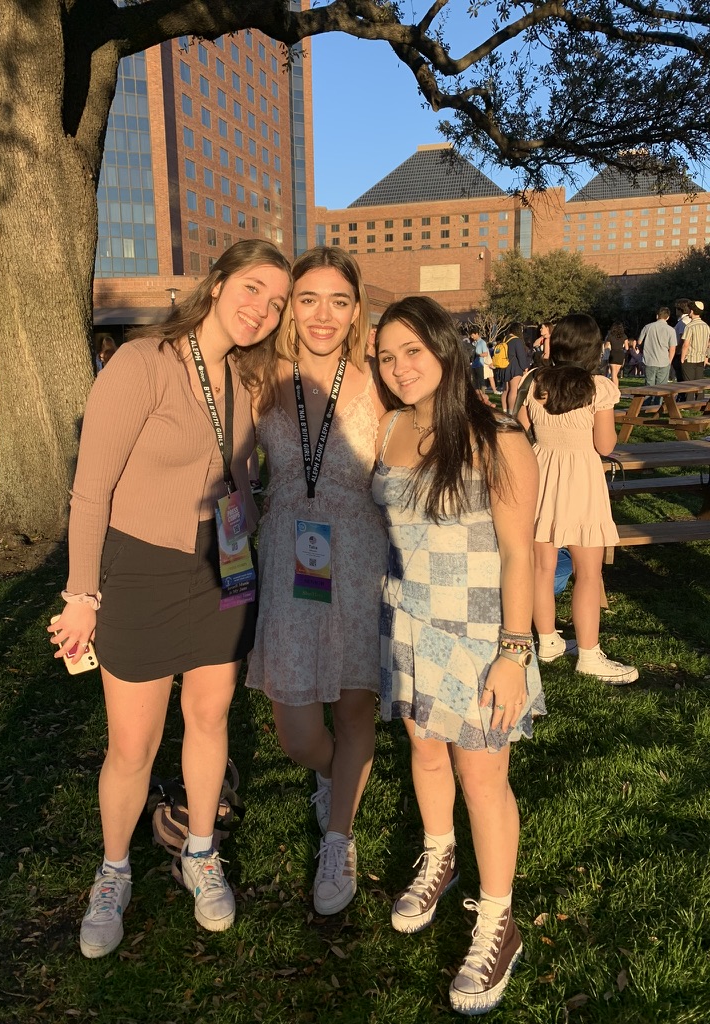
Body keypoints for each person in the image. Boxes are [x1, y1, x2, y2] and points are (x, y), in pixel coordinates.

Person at [47, 240, 292, 958]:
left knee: (210, 715)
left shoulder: (248, 379)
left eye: (275, 302)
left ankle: (201, 853)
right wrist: (82, 594)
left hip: (224, 567)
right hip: (142, 570)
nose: (262, 309)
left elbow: (239, 468)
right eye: (253, 289)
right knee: (133, 743)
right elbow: (92, 488)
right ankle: (113, 869)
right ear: (216, 284)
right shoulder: (143, 362)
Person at [373, 296, 545, 1017]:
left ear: (445, 350)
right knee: (425, 751)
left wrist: (514, 650)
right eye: (386, 356)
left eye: (413, 351)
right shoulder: (387, 429)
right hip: (405, 624)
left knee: (482, 776)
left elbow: (520, 554)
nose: (399, 367)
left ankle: (497, 919)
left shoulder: (496, 436)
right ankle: (440, 856)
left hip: (478, 635)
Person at [243, 247, 386, 916]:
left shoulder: (380, 380)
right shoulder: (260, 376)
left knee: (355, 706)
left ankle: (338, 838)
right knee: (296, 731)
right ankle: (335, 777)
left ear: (356, 310)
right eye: (308, 299)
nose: (322, 314)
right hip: (288, 551)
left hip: (359, 551)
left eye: (337, 300)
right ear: (290, 309)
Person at [516, 314, 639, 685]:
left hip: (539, 476)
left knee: (540, 567)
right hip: (582, 479)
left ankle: (548, 640)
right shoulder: (598, 387)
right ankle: (588, 653)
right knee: (588, 572)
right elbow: (605, 445)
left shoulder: (532, 381)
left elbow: (517, 430)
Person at [638, 307, 675, 402]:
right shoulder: (671, 330)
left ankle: (646, 405)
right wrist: (669, 361)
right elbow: (672, 348)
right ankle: (657, 405)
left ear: (657, 316)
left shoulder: (648, 327)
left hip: (649, 360)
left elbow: (639, 341)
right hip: (664, 361)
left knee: (649, 385)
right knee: (662, 386)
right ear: (667, 317)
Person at [502, 323, 530, 414]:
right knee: (514, 390)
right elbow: (521, 356)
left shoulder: (505, 339)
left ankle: (505, 410)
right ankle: (511, 412)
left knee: (506, 390)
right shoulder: (517, 340)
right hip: (515, 367)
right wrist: (525, 367)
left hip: (505, 366)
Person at [680, 300, 710, 384]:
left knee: (689, 385)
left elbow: (686, 345)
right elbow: (708, 344)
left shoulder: (689, 326)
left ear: (692, 311)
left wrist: (682, 359)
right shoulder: (706, 326)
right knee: (699, 385)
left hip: (689, 359)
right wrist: (706, 357)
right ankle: (700, 397)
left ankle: (690, 398)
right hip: (700, 359)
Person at [673, 298, 692, 383]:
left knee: (681, 377)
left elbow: (682, 338)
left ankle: (682, 395)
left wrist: (677, 350)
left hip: (681, 353)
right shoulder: (690, 320)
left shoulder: (682, 322)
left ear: (680, 309)